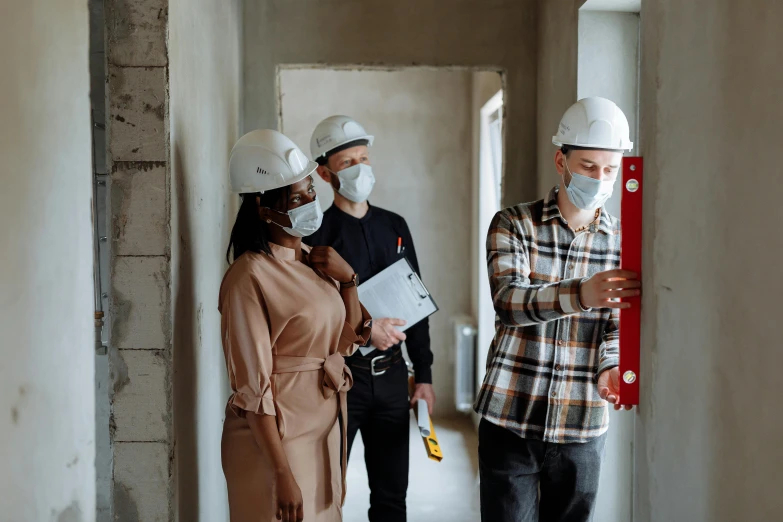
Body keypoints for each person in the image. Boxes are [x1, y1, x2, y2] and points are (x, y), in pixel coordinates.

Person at [475, 97, 642, 522]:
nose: (600, 178)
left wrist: (610, 367)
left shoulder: (623, 243)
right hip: (511, 417)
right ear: (560, 160)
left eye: (610, 169)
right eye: (588, 166)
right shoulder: (513, 224)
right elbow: (510, 302)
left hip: (581, 425)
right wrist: (583, 293)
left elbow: (615, 325)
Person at [219, 129, 372, 522]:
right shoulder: (248, 276)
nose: (309, 203)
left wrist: (349, 280)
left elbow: (347, 341)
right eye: (296, 197)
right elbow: (253, 387)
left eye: (309, 192)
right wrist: (282, 472)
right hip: (276, 443)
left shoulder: (313, 259)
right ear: (262, 207)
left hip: (325, 429)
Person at [303, 115, 434, 522]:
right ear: (325, 174)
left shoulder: (395, 226)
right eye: (347, 163)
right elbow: (312, 318)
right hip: (342, 382)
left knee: (392, 497)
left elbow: (417, 304)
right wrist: (363, 334)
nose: (360, 168)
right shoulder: (317, 234)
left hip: (394, 380)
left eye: (364, 158)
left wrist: (424, 376)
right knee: (327, 493)